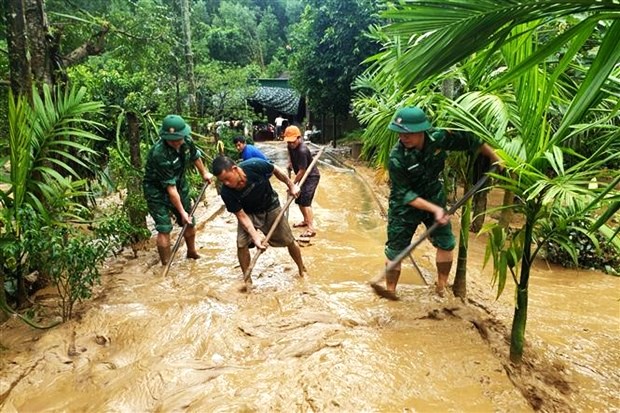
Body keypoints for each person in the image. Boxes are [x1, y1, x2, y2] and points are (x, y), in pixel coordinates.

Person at [384, 106, 501, 297]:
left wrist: (496, 158)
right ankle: (389, 292)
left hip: (433, 195)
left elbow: (472, 141)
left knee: (446, 243)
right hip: (404, 207)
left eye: (407, 134)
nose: (402, 138)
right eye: (399, 134)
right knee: (395, 252)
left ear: (421, 130)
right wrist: (435, 210)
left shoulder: (438, 138)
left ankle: (441, 286)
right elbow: (404, 194)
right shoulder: (397, 157)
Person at [211, 156, 308, 279]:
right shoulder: (226, 192)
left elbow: (276, 170)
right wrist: (255, 237)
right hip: (248, 213)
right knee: (241, 244)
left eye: (227, 179)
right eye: (222, 181)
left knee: (289, 240)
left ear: (235, 169)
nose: (226, 184)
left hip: (270, 206)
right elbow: (241, 216)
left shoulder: (254, 165)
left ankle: (301, 269)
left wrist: (291, 185)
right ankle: (247, 280)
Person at [143, 114, 211, 265]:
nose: (176, 142)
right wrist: (182, 212)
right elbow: (170, 188)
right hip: (157, 191)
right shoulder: (159, 153)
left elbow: (195, 156)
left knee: (189, 221)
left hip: (179, 185)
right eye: (172, 140)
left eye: (178, 138)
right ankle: (166, 263)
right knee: (164, 227)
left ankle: (192, 252)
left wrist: (204, 173)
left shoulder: (186, 140)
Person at [283, 125, 320, 238]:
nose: (291, 144)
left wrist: (292, 184)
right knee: (299, 200)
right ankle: (305, 220)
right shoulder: (290, 145)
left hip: (311, 177)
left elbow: (302, 171)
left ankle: (311, 228)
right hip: (303, 175)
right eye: (289, 142)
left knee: (306, 202)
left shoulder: (303, 150)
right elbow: (289, 152)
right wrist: (289, 162)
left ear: (299, 138)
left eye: (293, 142)